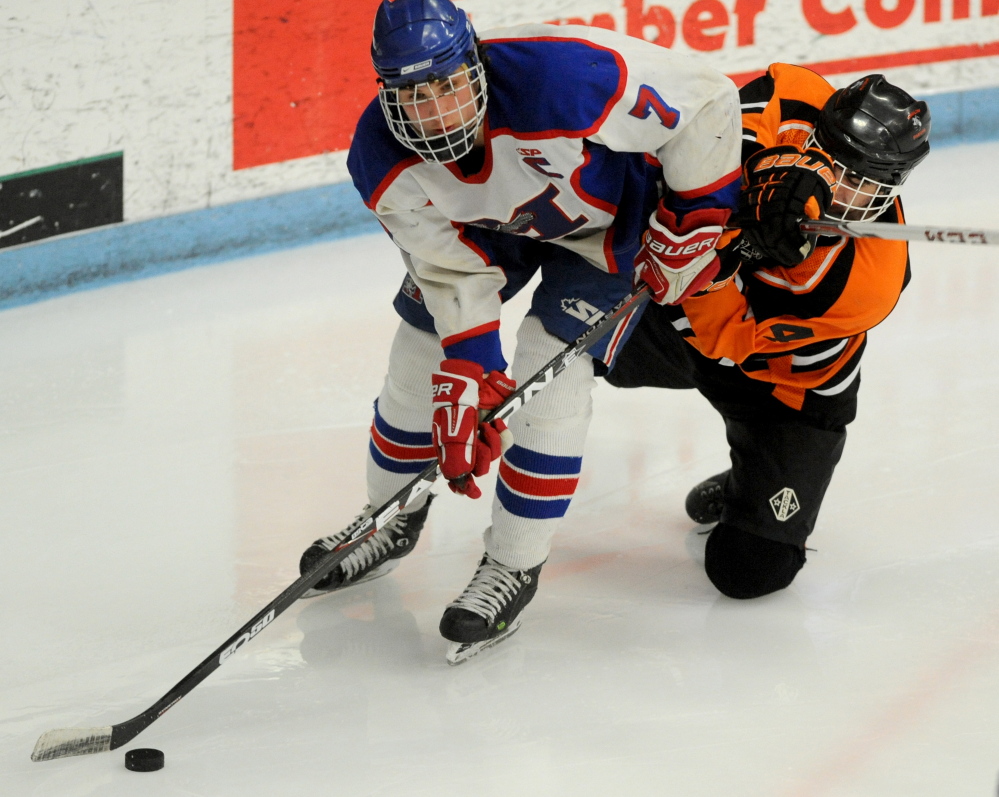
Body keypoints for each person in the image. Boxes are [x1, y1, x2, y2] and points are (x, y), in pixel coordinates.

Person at [298, 0, 742, 663]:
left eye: (448, 85)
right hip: (490, 233)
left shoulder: (565, 78)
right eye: (415, 95)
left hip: (607, 232)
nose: (438, 110)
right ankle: (388, 518)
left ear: (476, 65)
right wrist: (470, 362)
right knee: (420, 354)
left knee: (549, 371)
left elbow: (706, 100)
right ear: (387, 96)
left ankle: (512, 562)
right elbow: (449, 269)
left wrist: (698, 210)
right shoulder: (378, 159)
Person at [606, 64, 932, 599]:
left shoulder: (869, 282)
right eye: (833, 166)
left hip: (786, 389)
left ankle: (748, 488)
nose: (840, 189)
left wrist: (722, 252)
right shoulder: (798, 92)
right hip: (687, 334)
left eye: (861, 184)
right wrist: (770, 172)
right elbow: (715, 124)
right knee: (586, 333)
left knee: (748, 571)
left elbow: (729, 341)